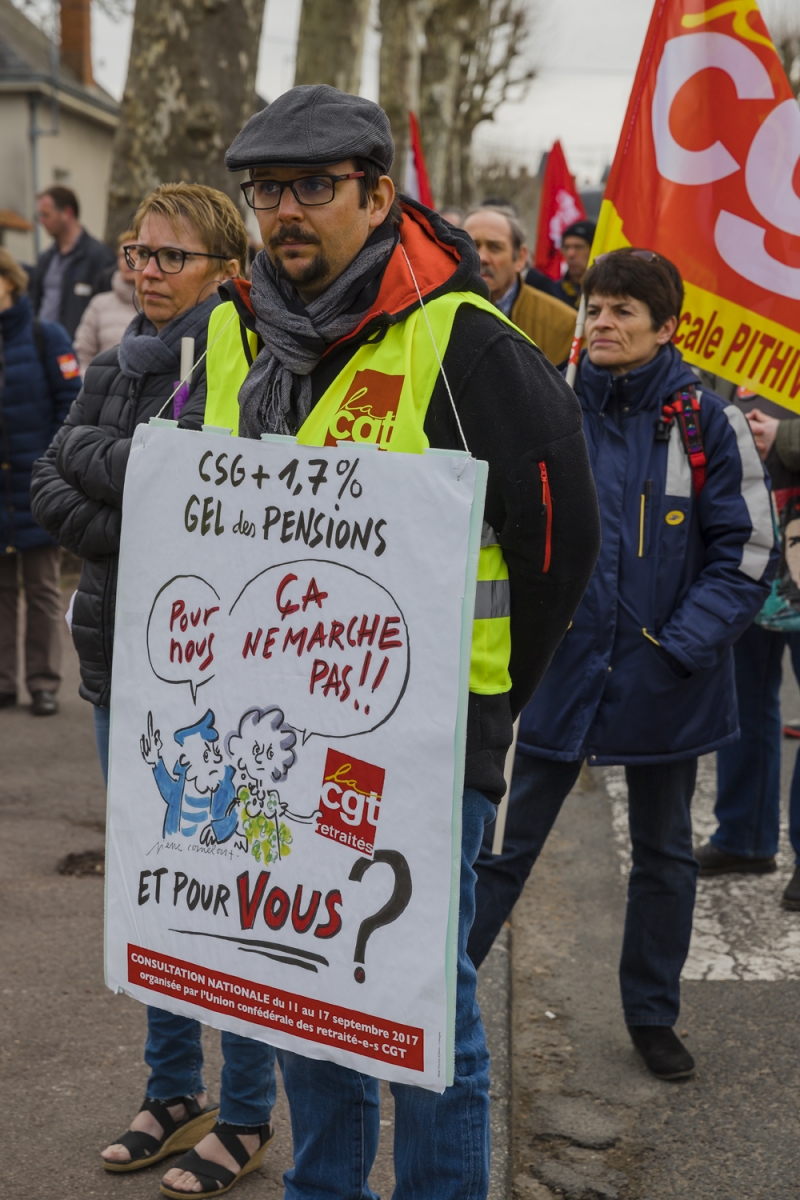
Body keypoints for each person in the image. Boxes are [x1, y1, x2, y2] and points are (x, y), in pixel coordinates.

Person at [203, 82, 600, 1198]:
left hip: (422, 754)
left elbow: (559, 541)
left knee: (420, 1016)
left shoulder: (466, 343)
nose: (284, 211)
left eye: (312, 187)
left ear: (377, 196)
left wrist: (487, 704)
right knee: (301, 988)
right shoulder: (232, 333)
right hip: (269, 741)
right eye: (265, 189)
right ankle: (321, 1188)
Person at [468, 248, 777, 1081]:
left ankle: (651, 1016)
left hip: (665, 685)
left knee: (666, 856)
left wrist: (678, 647)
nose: (600, 323)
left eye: (621, 313)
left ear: (665, 328)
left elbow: (746, 553)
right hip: (554, 679)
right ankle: (443, 999)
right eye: (593, 309)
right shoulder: (553, 410)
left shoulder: (708, 424)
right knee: (501, 850)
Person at [30, 183, 278, 1196]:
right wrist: (150, 494)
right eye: (138, 250)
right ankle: (174, 1092)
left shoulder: (261, 364)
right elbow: (51, 487)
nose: (145, 269)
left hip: (223, 683)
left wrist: (132, 484)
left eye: (170, 256)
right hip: (117, 662)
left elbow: (232, 508)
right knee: (156, 892)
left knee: (238, 900)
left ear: (226, 268)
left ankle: (251, 1112)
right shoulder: (115, 359)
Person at [695, 397, 800, 911]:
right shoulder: (747, 317)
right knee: (747, 696)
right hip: (751, 533)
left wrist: (783, 438)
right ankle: (743, 836)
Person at [0, 249, 80, 715]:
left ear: (10, 281)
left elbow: (71, 403)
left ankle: (45, 682)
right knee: (3, 589)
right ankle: (5, 682)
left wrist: (49, 465)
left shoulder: (45, 335)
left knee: (43, 585)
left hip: (37, 483)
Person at [462, 205, 577, 366]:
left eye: (495, 247)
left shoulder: (563, 325)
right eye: (471, 246)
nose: (482, 257)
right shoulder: (431, 316)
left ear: (521, 258)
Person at [29, 186, 115, 337]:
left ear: (67, 213)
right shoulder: (46, 259)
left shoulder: (99, 257)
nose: (41, 221)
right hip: (43, 348)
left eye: (46, 215)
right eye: (39, 216)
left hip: (77, 349)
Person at [73, 229, 137, 373]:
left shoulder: (160, 306)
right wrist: (89, 390)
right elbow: (82, 355)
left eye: (138, 253)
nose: (129, 260)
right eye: (123, 255)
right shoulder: (99, 305)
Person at [526, 218, 596, 311]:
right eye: (566, 247)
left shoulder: (606, 291)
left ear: (593, 250)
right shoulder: (552, 292)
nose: (571, 254)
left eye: (578, 247)